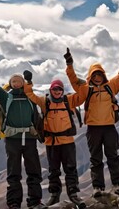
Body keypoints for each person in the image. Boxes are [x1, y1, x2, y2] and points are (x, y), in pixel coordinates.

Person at [0, 51, 44, 209]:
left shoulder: (30, 97)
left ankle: (35, 202)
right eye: (13, 81)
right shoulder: (6, 97)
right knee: (14, 174)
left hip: (30, 139)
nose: (16, 83)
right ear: (10, 83)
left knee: (34, 172)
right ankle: (14, 204)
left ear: (23, 84)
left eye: (19, 81)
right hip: (12, 140)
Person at [64, 48, 119, 197]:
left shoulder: (110, 86)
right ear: (90, 76)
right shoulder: (86, 89)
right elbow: (74, 79)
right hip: (93, 129)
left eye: (99, 74)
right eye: (94, 74)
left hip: (109, 127)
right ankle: (98, 187)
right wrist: (69, 63)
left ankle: (118, 184)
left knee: (113, 156)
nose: (97, 77)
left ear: (103, 75)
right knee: (95, 158)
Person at [22, 72, 86, 209]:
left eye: (59, 89)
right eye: (54, 89)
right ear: (50, 90)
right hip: (51, 142)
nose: (57, 91)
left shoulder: (69, 101)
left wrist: (81, 82)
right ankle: (54, 195)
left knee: (71, 169)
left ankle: (73, 194)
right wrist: (28, 81)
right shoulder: (45, 102)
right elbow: (30, 95)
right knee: (53, 170)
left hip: (67, 141)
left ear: (62, 91)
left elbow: (82, 96)